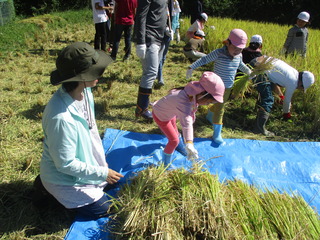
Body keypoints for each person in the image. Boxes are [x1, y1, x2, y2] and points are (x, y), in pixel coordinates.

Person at [37, 42, 124, 219]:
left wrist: (100, 168)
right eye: (96, 70)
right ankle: (50, 193)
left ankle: (43, 185)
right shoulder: (60, 118)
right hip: (64, 179)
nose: (101, 73)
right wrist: (103, 173)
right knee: (109, 209)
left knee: (118, 186)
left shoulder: (84, 91)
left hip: (84, 167)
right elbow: (66, 164)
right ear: (81, 77)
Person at [186, 29, 252, 145]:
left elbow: (240, 65)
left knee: (220, 104)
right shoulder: (219, 53)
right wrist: (192, 67)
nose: (237, 51)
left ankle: (210, 116)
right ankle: (216, 134)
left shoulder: (239, 55)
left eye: (240, 49)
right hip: (213, 87)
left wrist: (248, 72)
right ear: (228, 43)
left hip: (227, 87)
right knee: (219, 109)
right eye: (235, 47)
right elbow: (205, 59)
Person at [152, 71, 225, 165]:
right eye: (208, 102)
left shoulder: (192, 94)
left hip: (170, 113)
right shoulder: (183, 100)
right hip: (161, 116)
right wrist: (189, 142)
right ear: (203, 94)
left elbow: (188, 117)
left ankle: (180, 146)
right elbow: (187, 122)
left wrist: (189, 142)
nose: (207, 105)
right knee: (173, 141)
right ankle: (165, 164)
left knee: (176, 133)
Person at [250, 56, 315, 129]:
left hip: (257, 61)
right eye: (302, 88)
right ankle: (258, 128)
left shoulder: (293, 73)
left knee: (266, 90)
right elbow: (287, 101)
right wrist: (286, 114)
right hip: (258, 67)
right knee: (268, 99)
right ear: (301, 83)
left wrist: (281, 97)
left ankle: (256, 112)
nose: (300, 89)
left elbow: (273, 81)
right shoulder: (293, 82)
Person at [134, 0, 168, 122]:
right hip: (150, 37)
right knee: (150, 73)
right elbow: (141, 15)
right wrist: (141, 41)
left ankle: (144, 104)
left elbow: (162, 11)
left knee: (150, 73)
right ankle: (141, 108)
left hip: (160, 37)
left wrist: (168, 28)